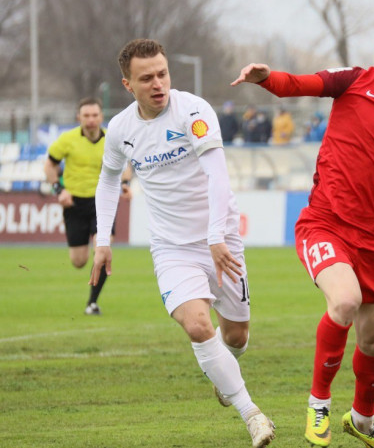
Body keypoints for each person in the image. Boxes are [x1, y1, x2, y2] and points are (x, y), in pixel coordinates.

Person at [231, 16, 374, 448]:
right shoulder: (353, 81)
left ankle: (362, 422)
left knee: (373, 341)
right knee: (346, 300)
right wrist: (266, 78)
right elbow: (299, 84)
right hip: (324, 224)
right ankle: (318, 407)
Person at [89, 39, 274, 448]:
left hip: (220, 239)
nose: (158, 84)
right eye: (147, 78)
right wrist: (104, 240)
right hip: (172, 247)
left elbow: (218, 175)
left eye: (163, 73)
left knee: (237, 337)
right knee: (196, 325)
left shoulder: (193, 110)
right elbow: (107, 180)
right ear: (127, 84)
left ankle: (224, 373)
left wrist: (214, 237)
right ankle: (253, 415)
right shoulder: (120, 129)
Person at [43, 97, 132, 315]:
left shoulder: (112, 138)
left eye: (95, 115)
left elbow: (126, 165)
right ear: (79, 117)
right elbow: (50, 164)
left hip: (103, 201)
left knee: (102, 247)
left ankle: (92, 303)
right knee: (79, 261)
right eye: (86, 116)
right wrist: (58, 190)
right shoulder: (67, 140)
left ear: (101, 117)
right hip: (74, 202)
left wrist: (126, 184)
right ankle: (91, 298)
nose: (91, 120)